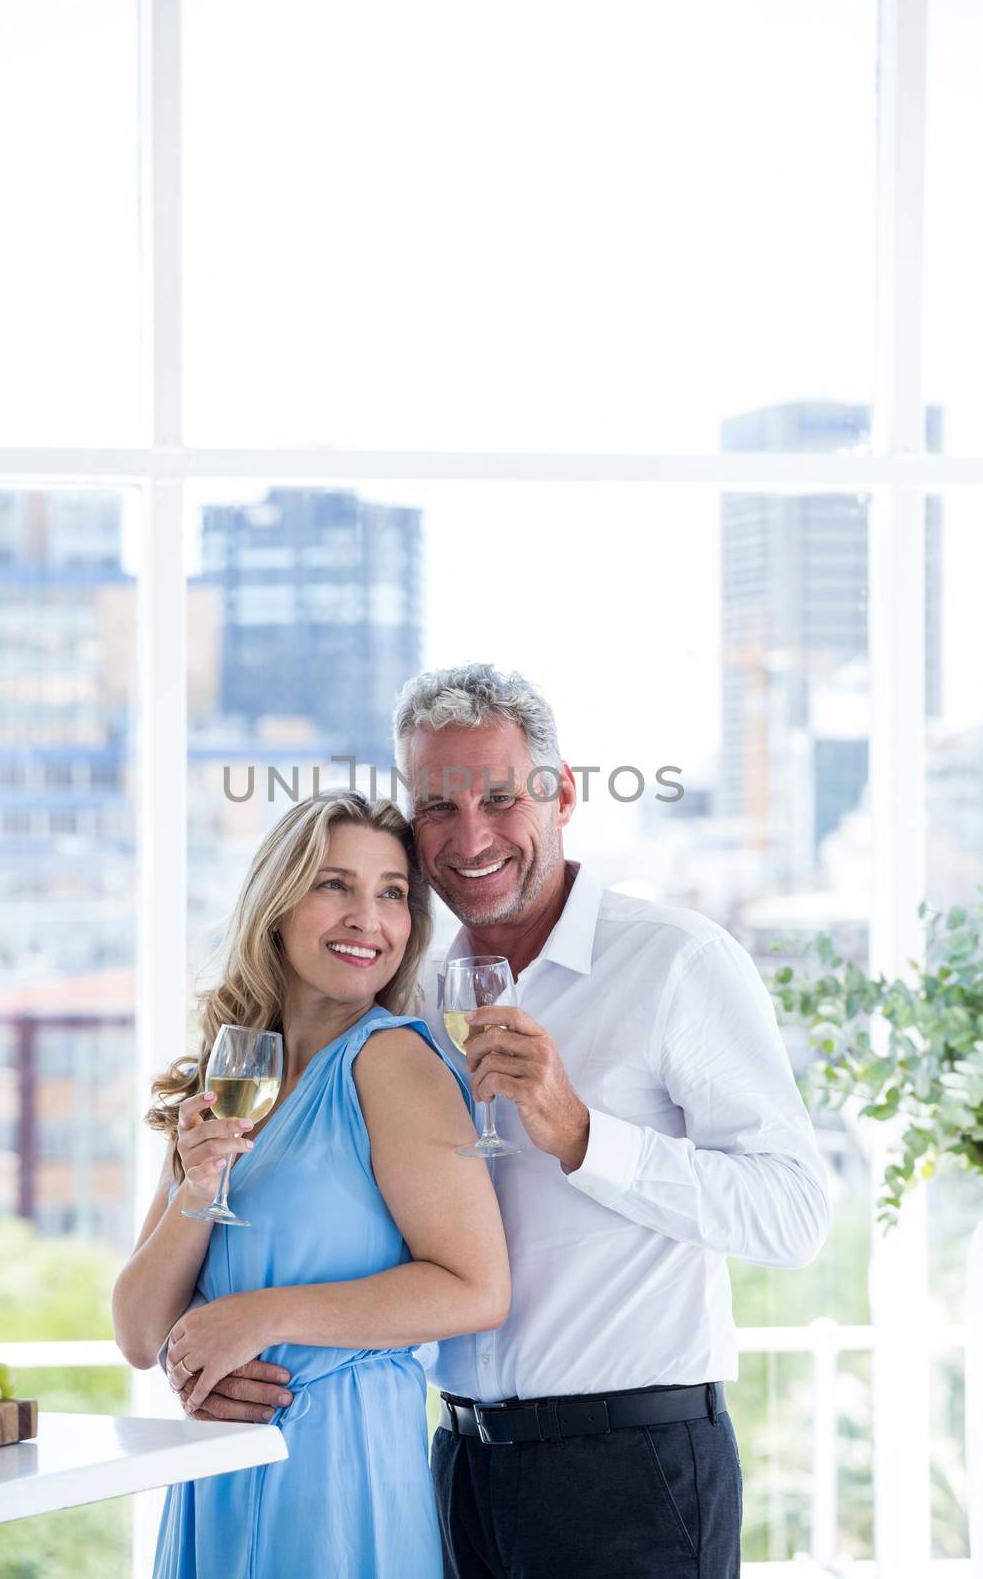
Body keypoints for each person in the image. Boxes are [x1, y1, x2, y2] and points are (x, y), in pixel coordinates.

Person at [168, 664, 831, 1579]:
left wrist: (582, 1136)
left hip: (628, 1464)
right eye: (438, 806)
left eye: (500, 797)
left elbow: (794, 1215)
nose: (470, 835)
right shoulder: (414, 991)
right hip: (452, 1464)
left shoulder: (674, 962)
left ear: (562, 794)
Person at [112, 790, 510, 1579]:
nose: (369, 918)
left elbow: (476, 1289)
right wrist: (199, 1185)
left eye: (391, 893)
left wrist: (260, 1318)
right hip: (217, 1469)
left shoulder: (391, 1062)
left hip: (340, 1474)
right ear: (278, 903)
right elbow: (135, 1332)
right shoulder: (227, 1076)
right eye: (335, 885)